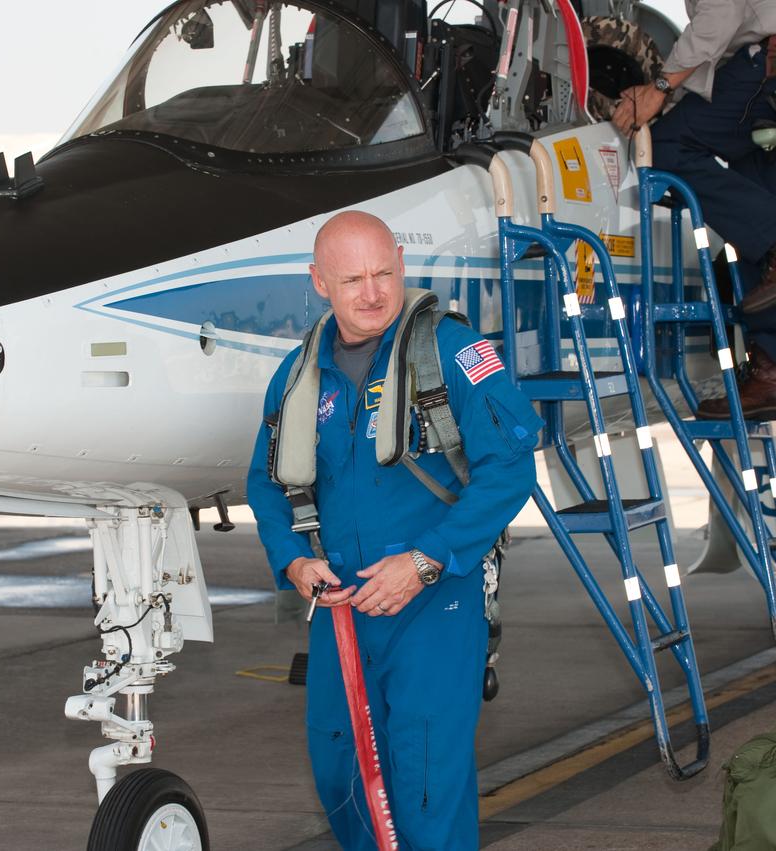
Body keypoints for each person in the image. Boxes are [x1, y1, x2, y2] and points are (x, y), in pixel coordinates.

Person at [245, 211, 542, 850]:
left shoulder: (453, 351)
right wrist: (294, 562)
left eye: (384, 273)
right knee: (340, 775)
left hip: (435, 599)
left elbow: (512, 464)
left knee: (426, 783)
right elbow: (267, 484)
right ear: (319, 282)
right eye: (353, 279)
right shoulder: (297, 377)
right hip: (342, 608)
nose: (373, 292)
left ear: (403, 267)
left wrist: (429, 559)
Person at [611, 1, 776, 419]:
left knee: (666, 148)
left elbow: (717, 19)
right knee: (755, 226)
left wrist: (658, 90)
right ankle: (770, 376)